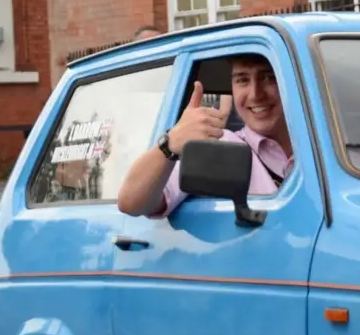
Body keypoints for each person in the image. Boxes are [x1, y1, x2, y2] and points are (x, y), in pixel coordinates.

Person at [117, 54, 294, 218]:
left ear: (291, 80)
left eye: (269, 78)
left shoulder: (319, 141)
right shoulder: (220, 145)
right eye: (242, 80)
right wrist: (170, 143)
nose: (256, 95)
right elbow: (131, 203)